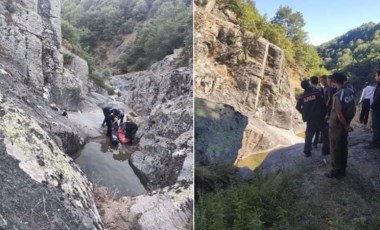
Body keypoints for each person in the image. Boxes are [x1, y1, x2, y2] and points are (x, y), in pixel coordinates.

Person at [325, 72, 356, 179]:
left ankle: (336, 171)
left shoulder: (338, 95)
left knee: (335, 148)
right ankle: (343, 168)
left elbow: (339, 114)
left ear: (334, 82)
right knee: (343, 146)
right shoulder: (350, 91)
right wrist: (348, 123)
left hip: (337, 126)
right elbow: (352, 109)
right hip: (345, 124)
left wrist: (346, 125)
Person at [296, 80, 326, 157]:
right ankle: (325, 150)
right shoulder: (316, 92)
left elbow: (297, 107)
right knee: (325, 133)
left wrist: (303, 112)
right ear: (309, 84)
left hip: (310, 118)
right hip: (319, 116)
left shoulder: (302, 96)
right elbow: (323, 103)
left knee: (309, 135)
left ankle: (307, 151)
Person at [366, 70, 380, 149]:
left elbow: (378, 97)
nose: (375, 77)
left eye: (376, 75)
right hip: (377, 107)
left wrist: (372, 105)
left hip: (377, 108)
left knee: (376, 125)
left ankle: (375, 142)